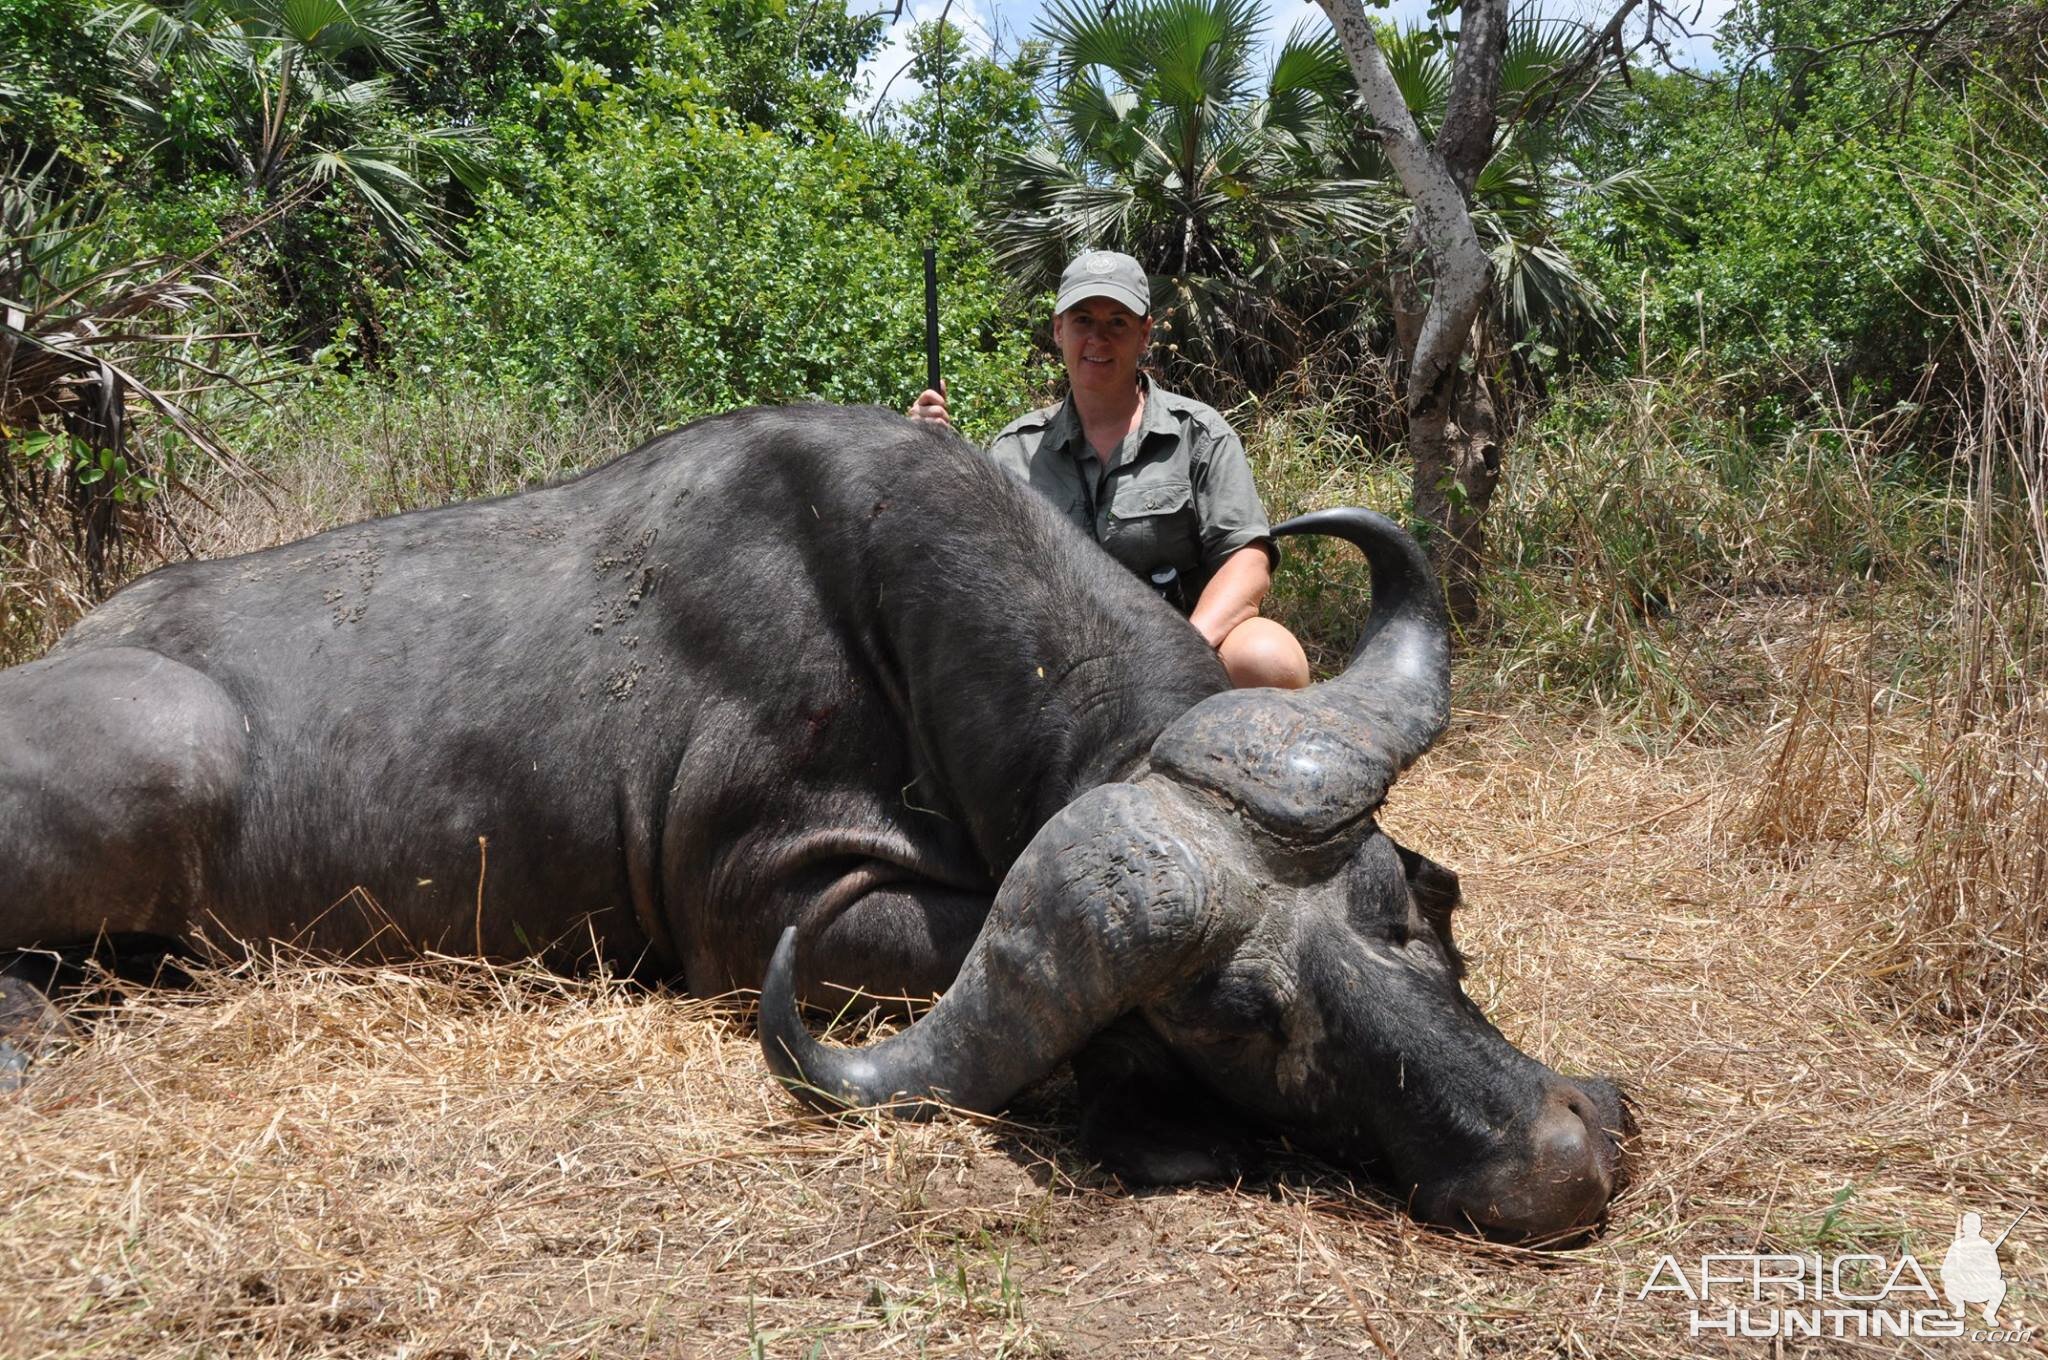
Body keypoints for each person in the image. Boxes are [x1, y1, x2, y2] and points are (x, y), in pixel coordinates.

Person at [908, 250, 1310, 690]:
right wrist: (925, 458)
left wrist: (1181, 651)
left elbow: (1247, 560)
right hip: (1058, 665)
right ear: (1058, 330)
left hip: (1182, 654)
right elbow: (970, 572)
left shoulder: (1199, 435)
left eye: (1117, 322)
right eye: (1082, 321)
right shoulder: (1015, 450)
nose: (1098, 339)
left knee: (1269, 658)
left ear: (1144, 334)